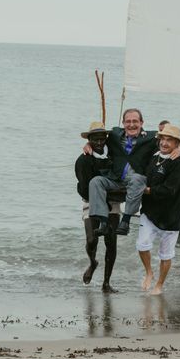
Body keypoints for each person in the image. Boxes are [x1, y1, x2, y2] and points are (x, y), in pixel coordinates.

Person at [88, 109, 160, 237]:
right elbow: (99, 140)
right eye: (128, 121)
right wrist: (88, 144)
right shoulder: (115, 135)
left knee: (137, 178)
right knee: (96, 181)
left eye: (135, 121)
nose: (131, 125)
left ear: (142, 122)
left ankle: (125, 221)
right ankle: (103, 223)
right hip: (116, 179)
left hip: (137, 180)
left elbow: (168, 141)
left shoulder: (151, 137)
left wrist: (178, 147)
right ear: (123, 123)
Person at [136, 124, 180, 295]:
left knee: (166, 254)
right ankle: (149, 272)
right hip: (149, 211)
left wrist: (147, 190)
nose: (164, 143)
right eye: (163, 139)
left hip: (171, 215)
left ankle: (159, 284)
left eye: (169, 140)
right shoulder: (154, 156)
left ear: (177, 143)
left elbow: (170, 189)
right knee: (142, 245)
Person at [75, 122, 120, 293]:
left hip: (113, 201)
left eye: (102, 138)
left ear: (106, 138)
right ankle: (93, 262)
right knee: (91, 240)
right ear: (89, 139)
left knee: (111, 242)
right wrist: (100, 201)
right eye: (95, 139)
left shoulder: (114, 154)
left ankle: (106, 283)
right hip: (91, 202)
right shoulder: (83, 160)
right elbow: (84, 188)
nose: (99, 142)